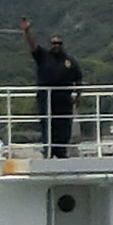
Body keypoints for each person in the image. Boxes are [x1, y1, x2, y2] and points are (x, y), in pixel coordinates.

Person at [16, 16, 83, 158]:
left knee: (64, 127)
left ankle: (61, 152)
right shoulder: (43, 56)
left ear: (62, 44)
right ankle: (48, 151)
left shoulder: (70, 61)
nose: (56, 45)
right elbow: (32, 45)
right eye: (54, 43)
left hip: (64, 101)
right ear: (50, 44)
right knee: (47, 126)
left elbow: (78, 79)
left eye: (59, 43)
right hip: (46, 99)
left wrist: (78, 96)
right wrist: (27, 31)